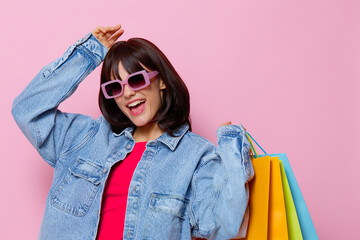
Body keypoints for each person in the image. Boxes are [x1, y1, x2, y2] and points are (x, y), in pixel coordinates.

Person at [11, 24, 254, 240]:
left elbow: (226, 227)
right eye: (115, 87)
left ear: (162, 81)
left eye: (136, 80)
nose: (127, 93)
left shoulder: (195, 156)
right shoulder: (83, 138)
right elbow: (26, 110)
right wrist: (88, 54)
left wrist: (232, 149)